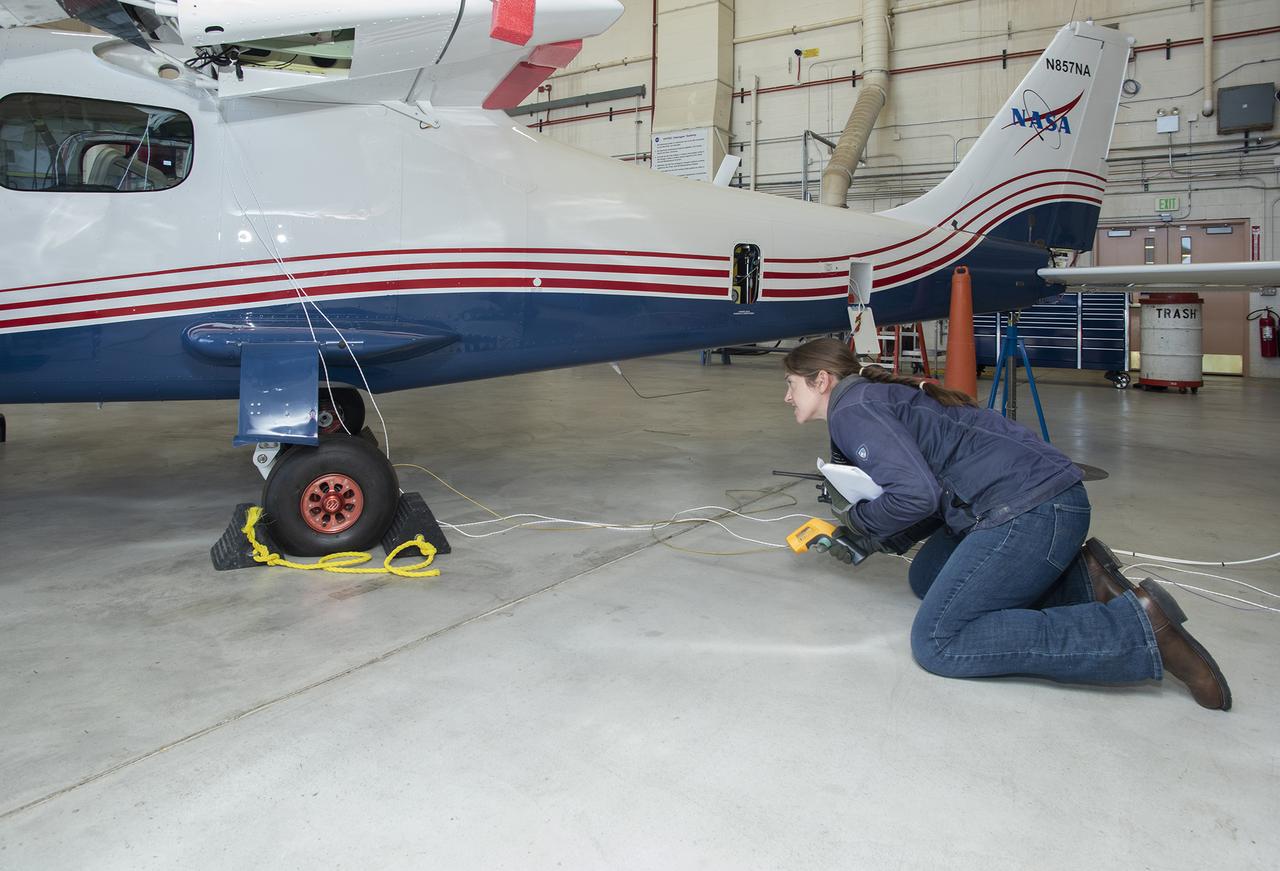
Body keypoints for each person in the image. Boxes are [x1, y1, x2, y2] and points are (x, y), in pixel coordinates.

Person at [782, 337, 1231, 710]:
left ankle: (1135, 631)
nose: (787, 397)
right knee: (926, 576)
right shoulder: (873, 398)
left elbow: (915, 495)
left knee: (939, 642)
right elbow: (933, 492)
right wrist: (870, 540)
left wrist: (859, 519)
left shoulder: (852, 409)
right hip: (1045, 501)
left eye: (791, 384)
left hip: (1031, 511)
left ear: (821, 380)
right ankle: (1083, 581)